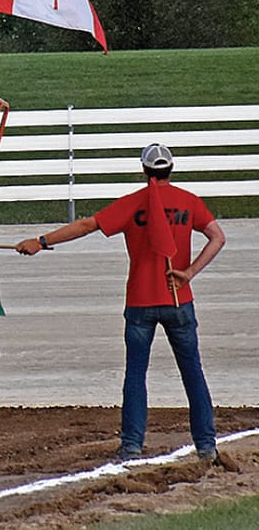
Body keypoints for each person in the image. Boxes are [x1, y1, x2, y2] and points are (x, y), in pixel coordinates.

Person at [17, 143, 234, 466]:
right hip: (179, 298)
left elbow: (87, 225)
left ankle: (132, 446)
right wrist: (188, 273)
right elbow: (218, 237)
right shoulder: (189, 202)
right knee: (193, 373)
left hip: (140, 302)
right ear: (171, 169)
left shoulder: (134, 203)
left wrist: (41, 241)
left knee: (135, 375)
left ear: (144, 170)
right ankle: (206, 446)